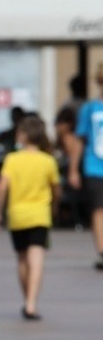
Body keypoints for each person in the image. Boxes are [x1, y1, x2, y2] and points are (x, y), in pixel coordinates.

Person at [0, 116, 59, 320]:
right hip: (40, 215)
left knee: (22, 259)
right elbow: (56, 188)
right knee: (36, 259)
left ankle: (26, 299)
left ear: (22, 135)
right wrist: (54, 206)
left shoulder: (13, 159)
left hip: (17, 216)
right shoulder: (48, 161)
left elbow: (2, 187)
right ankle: (32, 303)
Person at [66, 62, 103, 271]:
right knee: (98, 209)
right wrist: (73, 169)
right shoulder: (89, 108)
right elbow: (79, 140)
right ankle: (101, 251)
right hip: (95, 166)